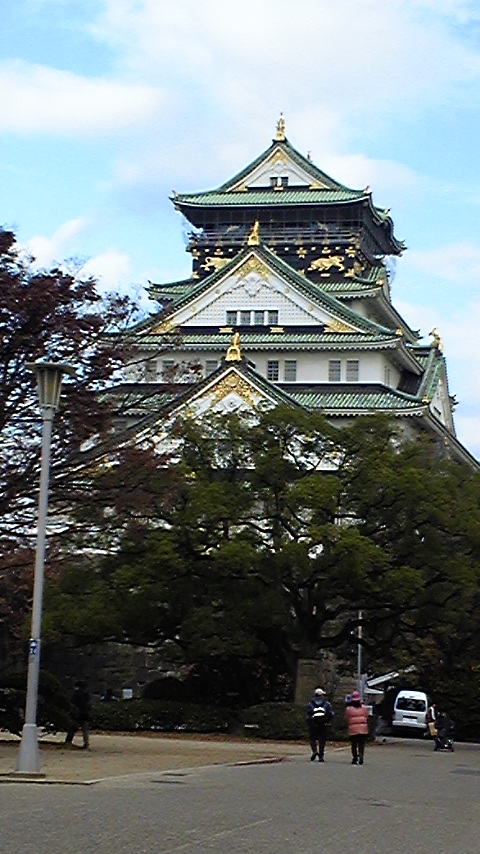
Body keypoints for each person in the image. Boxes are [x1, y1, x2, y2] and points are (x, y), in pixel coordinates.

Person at [306, 687, 334, 762]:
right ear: (322, 695)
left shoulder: (310, 703)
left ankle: (314, 750)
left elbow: (307, 715)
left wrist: (310, 722)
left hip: (313, 724)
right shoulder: (326, 703)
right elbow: (331, 714)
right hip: (323, 724)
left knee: (312, 738)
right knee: (322, 740)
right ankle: (321, 755)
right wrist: (327, 721)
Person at [345, 690, 369, 765]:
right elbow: (366, 716)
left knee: (354, 744)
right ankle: (361, 754)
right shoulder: (364, 708)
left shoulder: (348, 709)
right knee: (361, 744)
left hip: (353, 729)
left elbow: (347, 718)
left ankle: (355, 758)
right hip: (363, 728)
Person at [65, 680, 91, 749]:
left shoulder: (76, 694)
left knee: (72, 728)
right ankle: (86, 743)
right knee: (85, 730)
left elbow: (72, 703)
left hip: (77, 713)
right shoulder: (87, 694)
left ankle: (68, 741)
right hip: (85, 714)